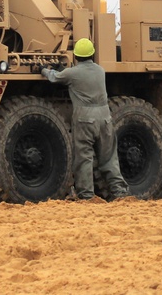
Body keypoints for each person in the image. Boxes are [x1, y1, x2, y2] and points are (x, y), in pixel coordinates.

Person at [42, 38, 130, 200]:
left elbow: (55, 78)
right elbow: (81, 76)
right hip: (104, 117)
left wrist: (44, 70)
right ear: (93, 54)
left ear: (75, 56)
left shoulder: (71, 73)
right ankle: (120, 192)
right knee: (109, 157)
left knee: (84, 158)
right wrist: (64, 70)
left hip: (85, 118)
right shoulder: (100, 71)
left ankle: (87, 196)